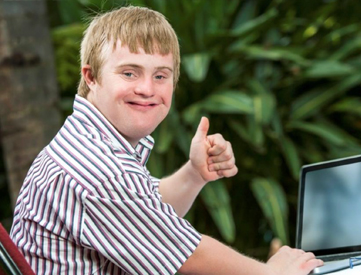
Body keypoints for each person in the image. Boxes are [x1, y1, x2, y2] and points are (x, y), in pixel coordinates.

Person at [10, 6, 323, 275]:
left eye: (160, 76)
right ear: (91, 77)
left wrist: (194, 173)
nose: (147, 88)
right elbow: (187, 255)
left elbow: (145, 209)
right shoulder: (97, 169)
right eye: (129, 73)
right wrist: (270, 272)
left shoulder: (89, 140)